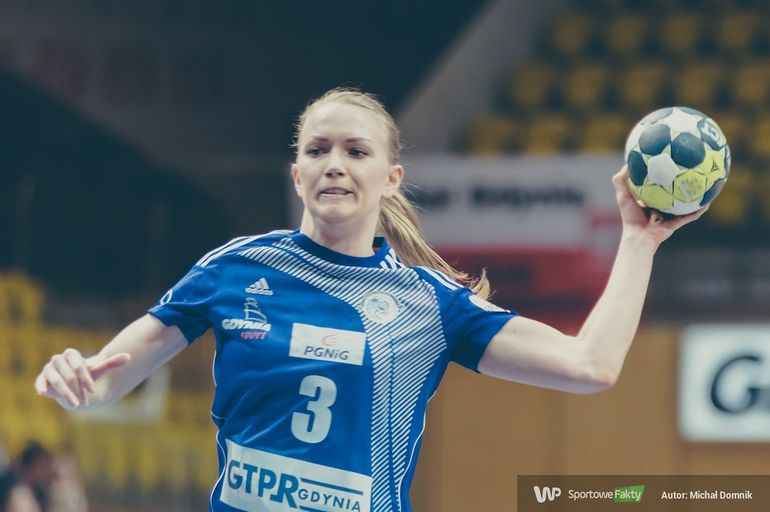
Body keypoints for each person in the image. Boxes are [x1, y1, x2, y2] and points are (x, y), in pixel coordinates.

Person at [34, 87, 706, 512]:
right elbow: (106, 381)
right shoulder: (235, 269)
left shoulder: (430, 304)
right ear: (296, 173)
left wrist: (638, 241)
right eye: (318, 150)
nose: (334, 163)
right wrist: (77, 382)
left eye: (356, 151)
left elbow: (590, 366)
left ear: (391, 178)